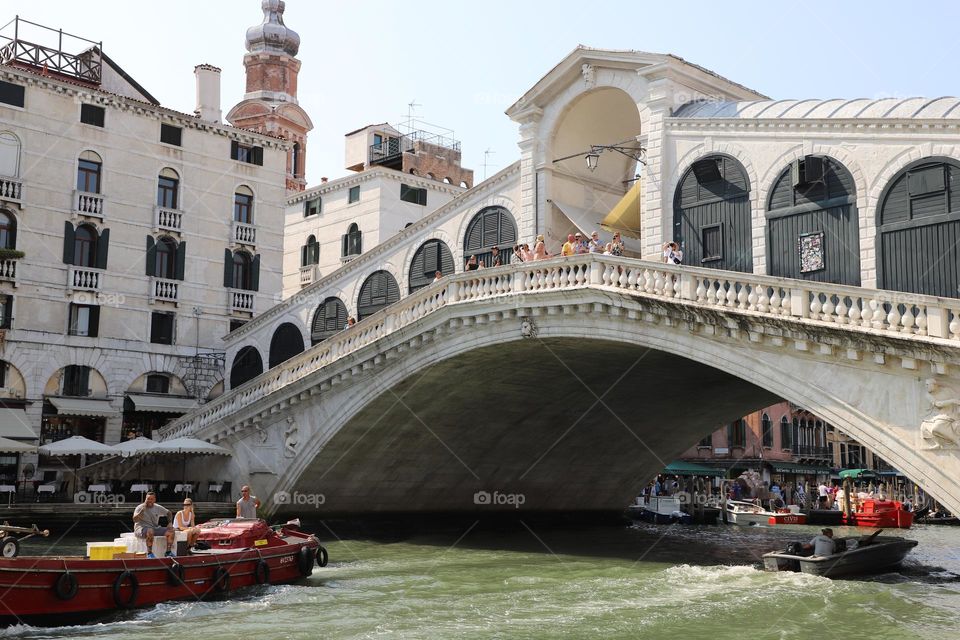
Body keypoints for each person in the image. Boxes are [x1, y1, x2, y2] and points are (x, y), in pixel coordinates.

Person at [133, 491, 176, 558]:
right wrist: (141, 511)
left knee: (171, 531)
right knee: (150, 531)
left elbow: (169, 513)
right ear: (145, 499)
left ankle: (168, 552)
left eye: (151, 499)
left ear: (154, 500)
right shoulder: (140, 507)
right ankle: (149, 553)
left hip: (154, 528)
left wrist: (170, 523)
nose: (149, 500)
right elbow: (134, 520)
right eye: (148, 499)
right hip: (141, 529)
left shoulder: (157, 507)